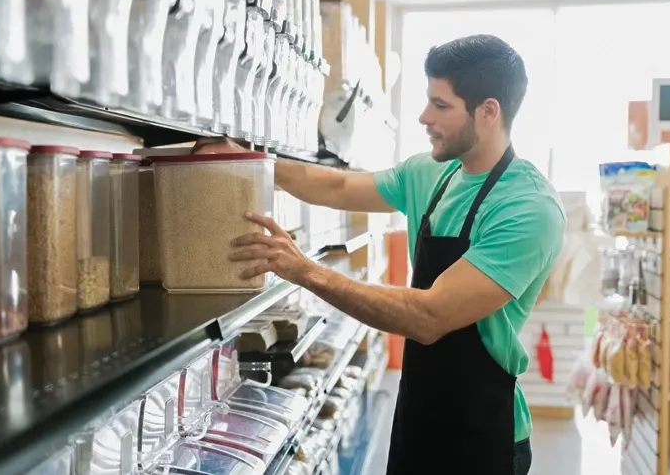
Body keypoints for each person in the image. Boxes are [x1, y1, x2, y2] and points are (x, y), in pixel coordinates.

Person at [227, 34, 566, 475]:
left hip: (484, 433)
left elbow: (428, 317)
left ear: (488, 111)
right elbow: (337, 186)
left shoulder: (528, 207)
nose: (424, 117)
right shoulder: (430, 172)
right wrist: (251, 162)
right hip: (418, 409)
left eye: (440, 105)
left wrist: (305, 271)